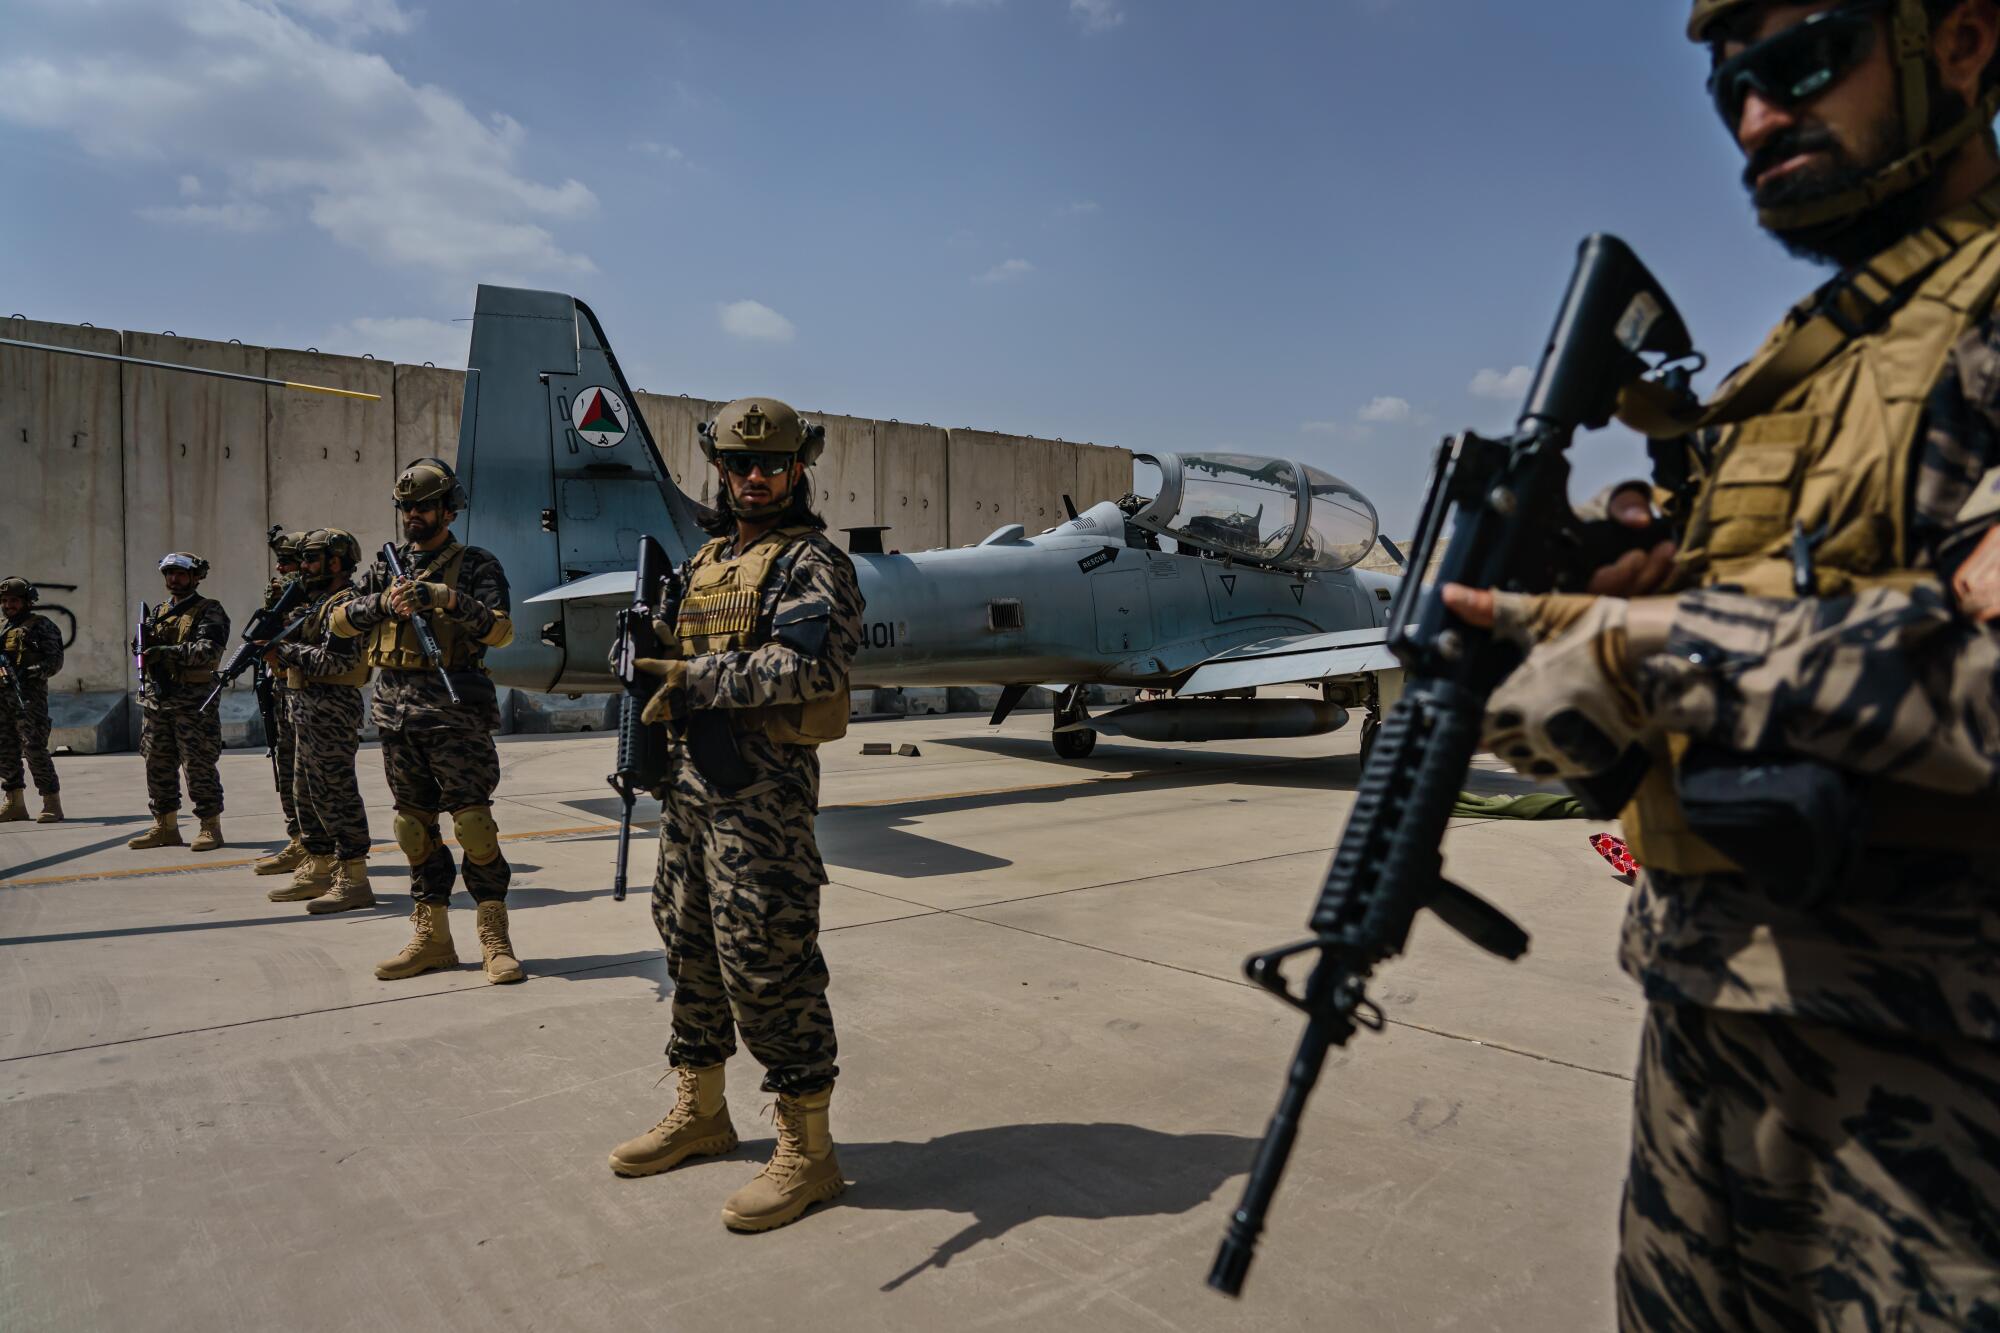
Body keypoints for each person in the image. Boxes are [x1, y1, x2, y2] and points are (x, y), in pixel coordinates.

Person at [1445, 1, 2000, 1324]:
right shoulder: (1793, 376)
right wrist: (1548, 651)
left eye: (1803, 62)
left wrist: (1649, 645)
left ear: (1965, 44)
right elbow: (1645, 740)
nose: (1756, 115)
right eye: (1729, 84)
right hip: (1708, 1044)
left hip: (1940, 1097)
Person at [606, 397, 865, 1235]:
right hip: (690, 792)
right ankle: (704, 1112)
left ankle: (810, 1151)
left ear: (799, 468)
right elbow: (681, 657)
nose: (755, 478)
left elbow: (811, 668)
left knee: (769, 963)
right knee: (687, 949)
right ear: (718, 470)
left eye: (773, 465)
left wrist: (697, 679)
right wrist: (644, 658)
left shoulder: (813, 561)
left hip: (763, 804)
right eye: (739, 465)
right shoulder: (708, 558)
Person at [330, 458, 520, 982]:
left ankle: (494, 936)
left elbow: (501, 631)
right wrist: (383, 605)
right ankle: (431, 936)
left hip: (455, 712)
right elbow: (338, 620)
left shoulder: (477, 563)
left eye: (423, 506)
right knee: (413, 829)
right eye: (406, 507)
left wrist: (444, 598)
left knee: (474, 827)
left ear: (447, 509)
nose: (413, 514)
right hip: (395, 713)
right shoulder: (384, 568)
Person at [263, 528, 375, 914]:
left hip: (332, 710)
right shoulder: (314, 602)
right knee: (306, 794)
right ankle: (321, 865)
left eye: (311, 560)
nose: (303, 567)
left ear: (337, 562)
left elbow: (338, 661)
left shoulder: (348, 604)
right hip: (305, 709)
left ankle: (354, 877)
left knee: (336, 794)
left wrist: (284, 650)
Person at [128, 552, 229, 850]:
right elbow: (143, 649)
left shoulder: (209, 610)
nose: (174, 579)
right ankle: (165, 825)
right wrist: (142, 645)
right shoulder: (158, 612)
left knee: (198, 765)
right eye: (169, 574)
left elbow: (208, 651)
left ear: (195, 577)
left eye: (181, 574)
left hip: (193, 704)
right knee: (157, 763)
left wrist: (166, 652)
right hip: (158, 700)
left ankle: (210, 826)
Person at [254, 528, 312, 878]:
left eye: (287, 562)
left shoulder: (320, 599)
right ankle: (298, 840)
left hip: (308, 695)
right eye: (279, 563)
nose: (280, 570)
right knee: (286, 769)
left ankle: (322, 848)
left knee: (309, 777)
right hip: (280, 689)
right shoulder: (282, 596)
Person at [0, 576, 65, 824]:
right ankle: (14, 802)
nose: (9, 605)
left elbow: (55, 661)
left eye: (14, 600)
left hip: (28, 698)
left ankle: (51, 802)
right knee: (5, 750)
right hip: (2, 699)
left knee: (34, 749)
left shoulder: (41, 626)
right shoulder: (1, 627)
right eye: (4, 601)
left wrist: (31, 671)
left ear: (27, 601)